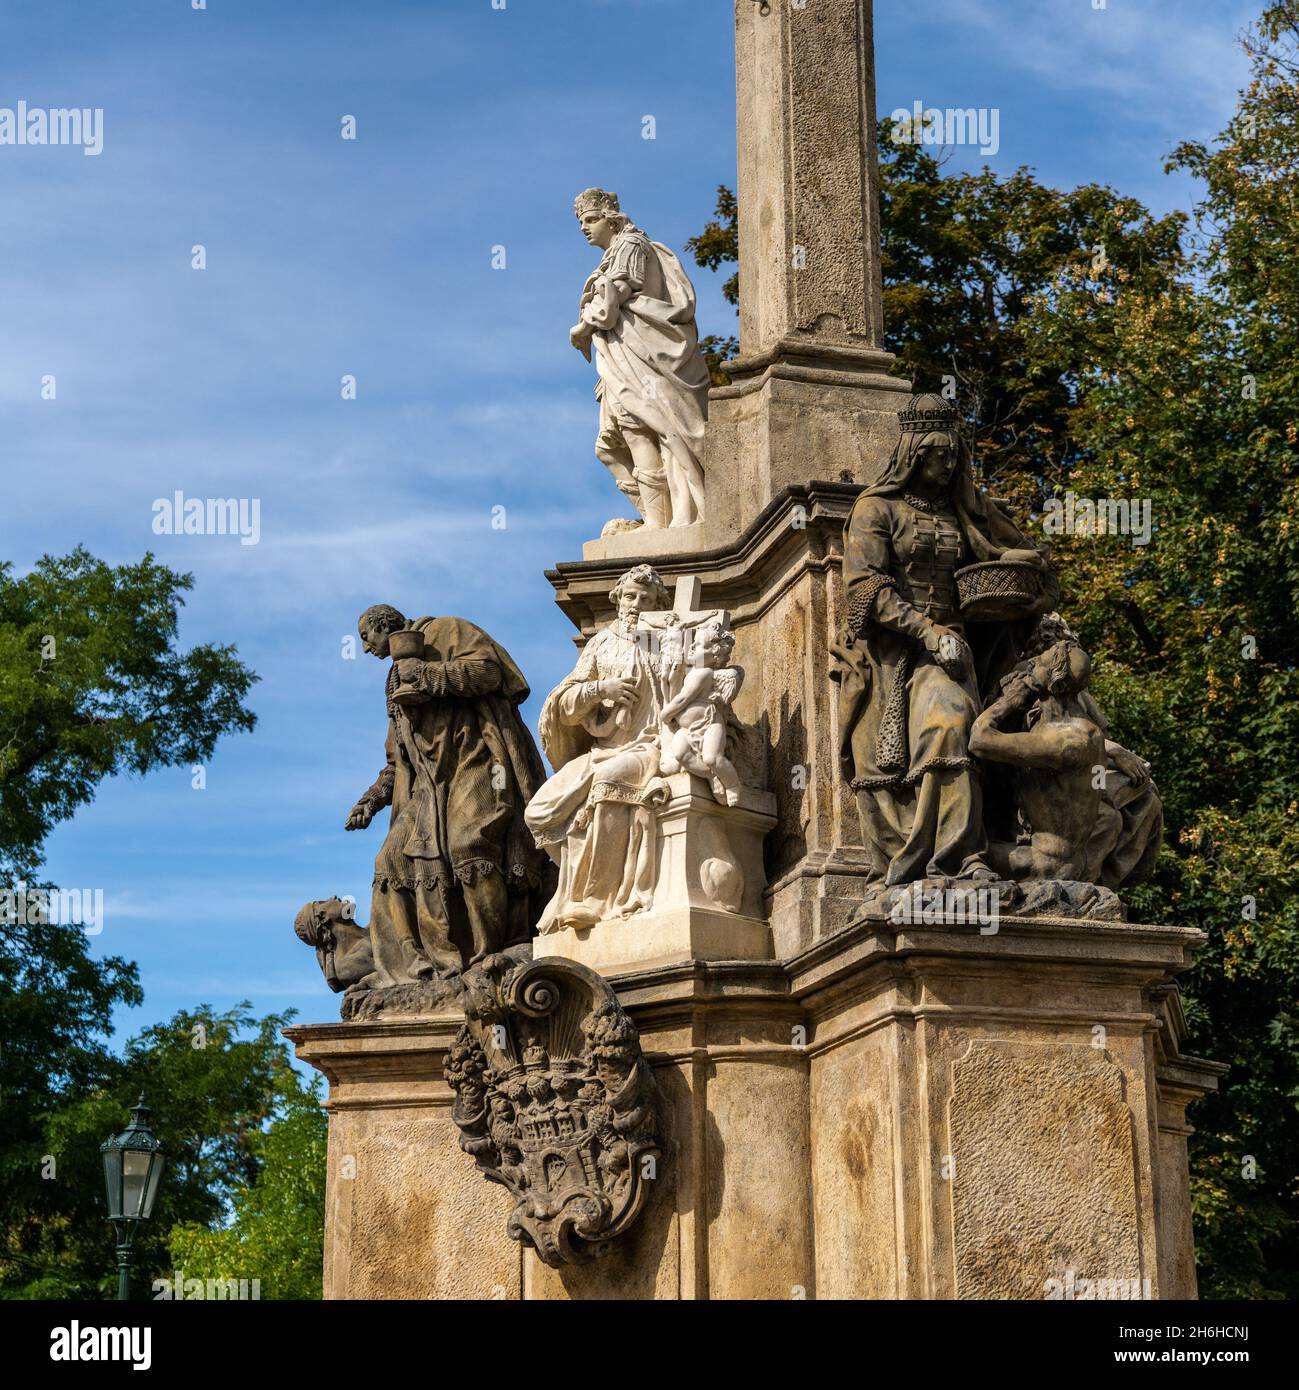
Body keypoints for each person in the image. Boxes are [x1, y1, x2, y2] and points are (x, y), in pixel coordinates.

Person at [833, 394, 1058, 886]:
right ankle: (945, 856)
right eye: (940, 455)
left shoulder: (965, 508)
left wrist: (1025, 566)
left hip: (958, 648)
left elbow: (1016, 551)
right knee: (944, 726)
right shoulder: (876, 509)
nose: (949, 464)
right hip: (897, 653)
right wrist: (927, 632)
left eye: (956, 455)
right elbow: (866, 589)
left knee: (959, 723)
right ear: (915, 453)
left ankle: (963, 854)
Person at [346, 604, 552, 982]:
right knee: (388, 861)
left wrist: (426, 675)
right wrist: (370, 801)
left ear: (382, 626)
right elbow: (397, 761)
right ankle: (415, 965)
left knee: (468, 845)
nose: (363, 648)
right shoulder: (393, 682)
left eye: (365, 637)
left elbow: (490, 672)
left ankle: (492, 955)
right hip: (426, 787)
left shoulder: (446, 631)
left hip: (478, 761)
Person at [525, 565, 673, 931]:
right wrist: (600, 689)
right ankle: (575, 881)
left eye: (646, 598)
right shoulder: (601, 643)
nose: (636, 604)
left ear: (657, 603)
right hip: (604, 747)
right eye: (630, 596)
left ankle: (595, 899)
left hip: (647, 746)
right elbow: (565, 703)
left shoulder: (663, 641)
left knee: (608, 782)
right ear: (619, 599)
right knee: (538, 811)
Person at [569, 187, 711, 530]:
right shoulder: (617, 252)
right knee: (620, 437)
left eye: (591, 220)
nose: (585, 228)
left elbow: (613, 298)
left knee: (650, 427)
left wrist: (583, 327)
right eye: (581, 222)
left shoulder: (630, 246)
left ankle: (667, 519)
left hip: (644, 355)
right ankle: (656, 517)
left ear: (611, 219)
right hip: (624, 354)